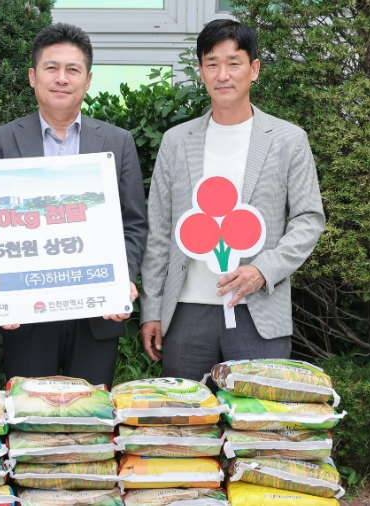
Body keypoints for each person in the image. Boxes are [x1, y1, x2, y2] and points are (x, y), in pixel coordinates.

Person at [139, 19, 325, 382]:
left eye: (233, 63)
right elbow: (159, 230)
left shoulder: (288, 140)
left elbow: (308, 220)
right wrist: (152, 310)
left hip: (259, 310)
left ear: (253, 69)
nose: (222, 74)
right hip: (187, 311)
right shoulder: (176, 141)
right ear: (201, 71)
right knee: (188, 413)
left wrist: (263, 270)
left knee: (258, 415)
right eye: (212, 63)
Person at [0, 23, 148, 389]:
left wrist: (122, 279)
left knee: (90, 412)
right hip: (26, 317)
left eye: (72, 69)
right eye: (51, 67)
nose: (61, 78)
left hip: (97, 314)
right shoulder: (2, 141)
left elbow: (133, 223)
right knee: (30, 413)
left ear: (87, 80)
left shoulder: (117, 142)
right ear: (33, 77)